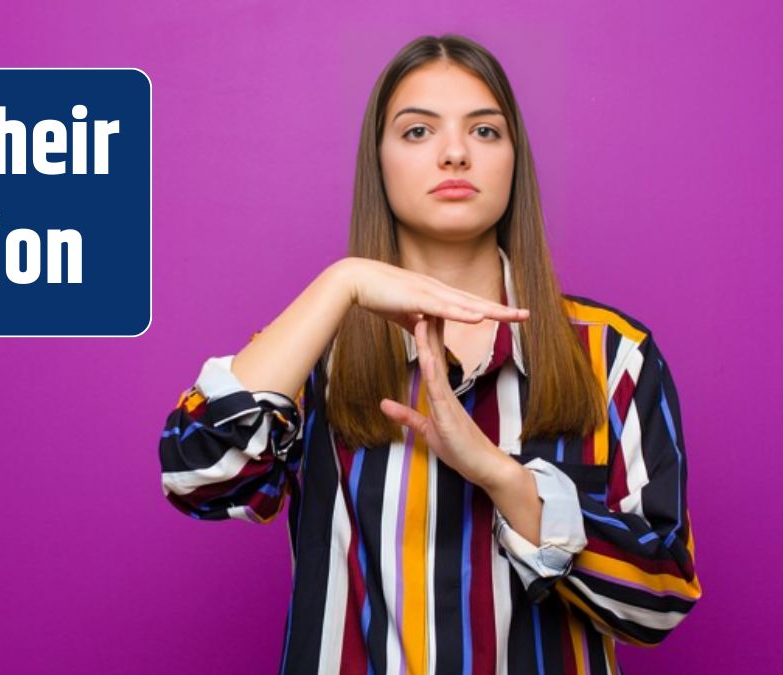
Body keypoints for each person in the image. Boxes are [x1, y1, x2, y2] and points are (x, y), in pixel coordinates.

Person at [158, 34, 701, 675]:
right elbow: (197, 475)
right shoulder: (315, 347)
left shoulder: (613, 354)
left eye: (485, 132)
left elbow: (661, 600)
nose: (453, 154)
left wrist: (506, 480)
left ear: (514, 160)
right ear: (379, 162)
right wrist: (343, 282)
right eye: (417, 132)